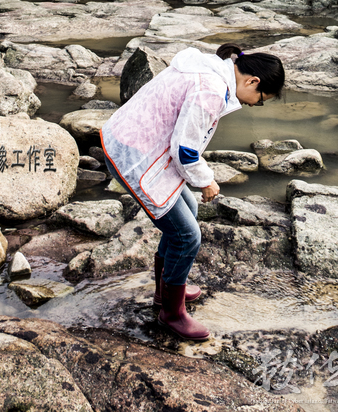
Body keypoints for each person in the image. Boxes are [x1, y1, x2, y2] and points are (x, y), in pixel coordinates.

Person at [101, 41, 285, 342]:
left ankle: (166, 289)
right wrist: (206, 181)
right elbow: (185, 150)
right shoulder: (210, 89)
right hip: (134, 155)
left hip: (141, 144)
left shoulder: (211, 69)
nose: (254, 105)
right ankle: (171, 313)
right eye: (260, 99)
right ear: (253, 81)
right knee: (187, 235)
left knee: (189, 211)